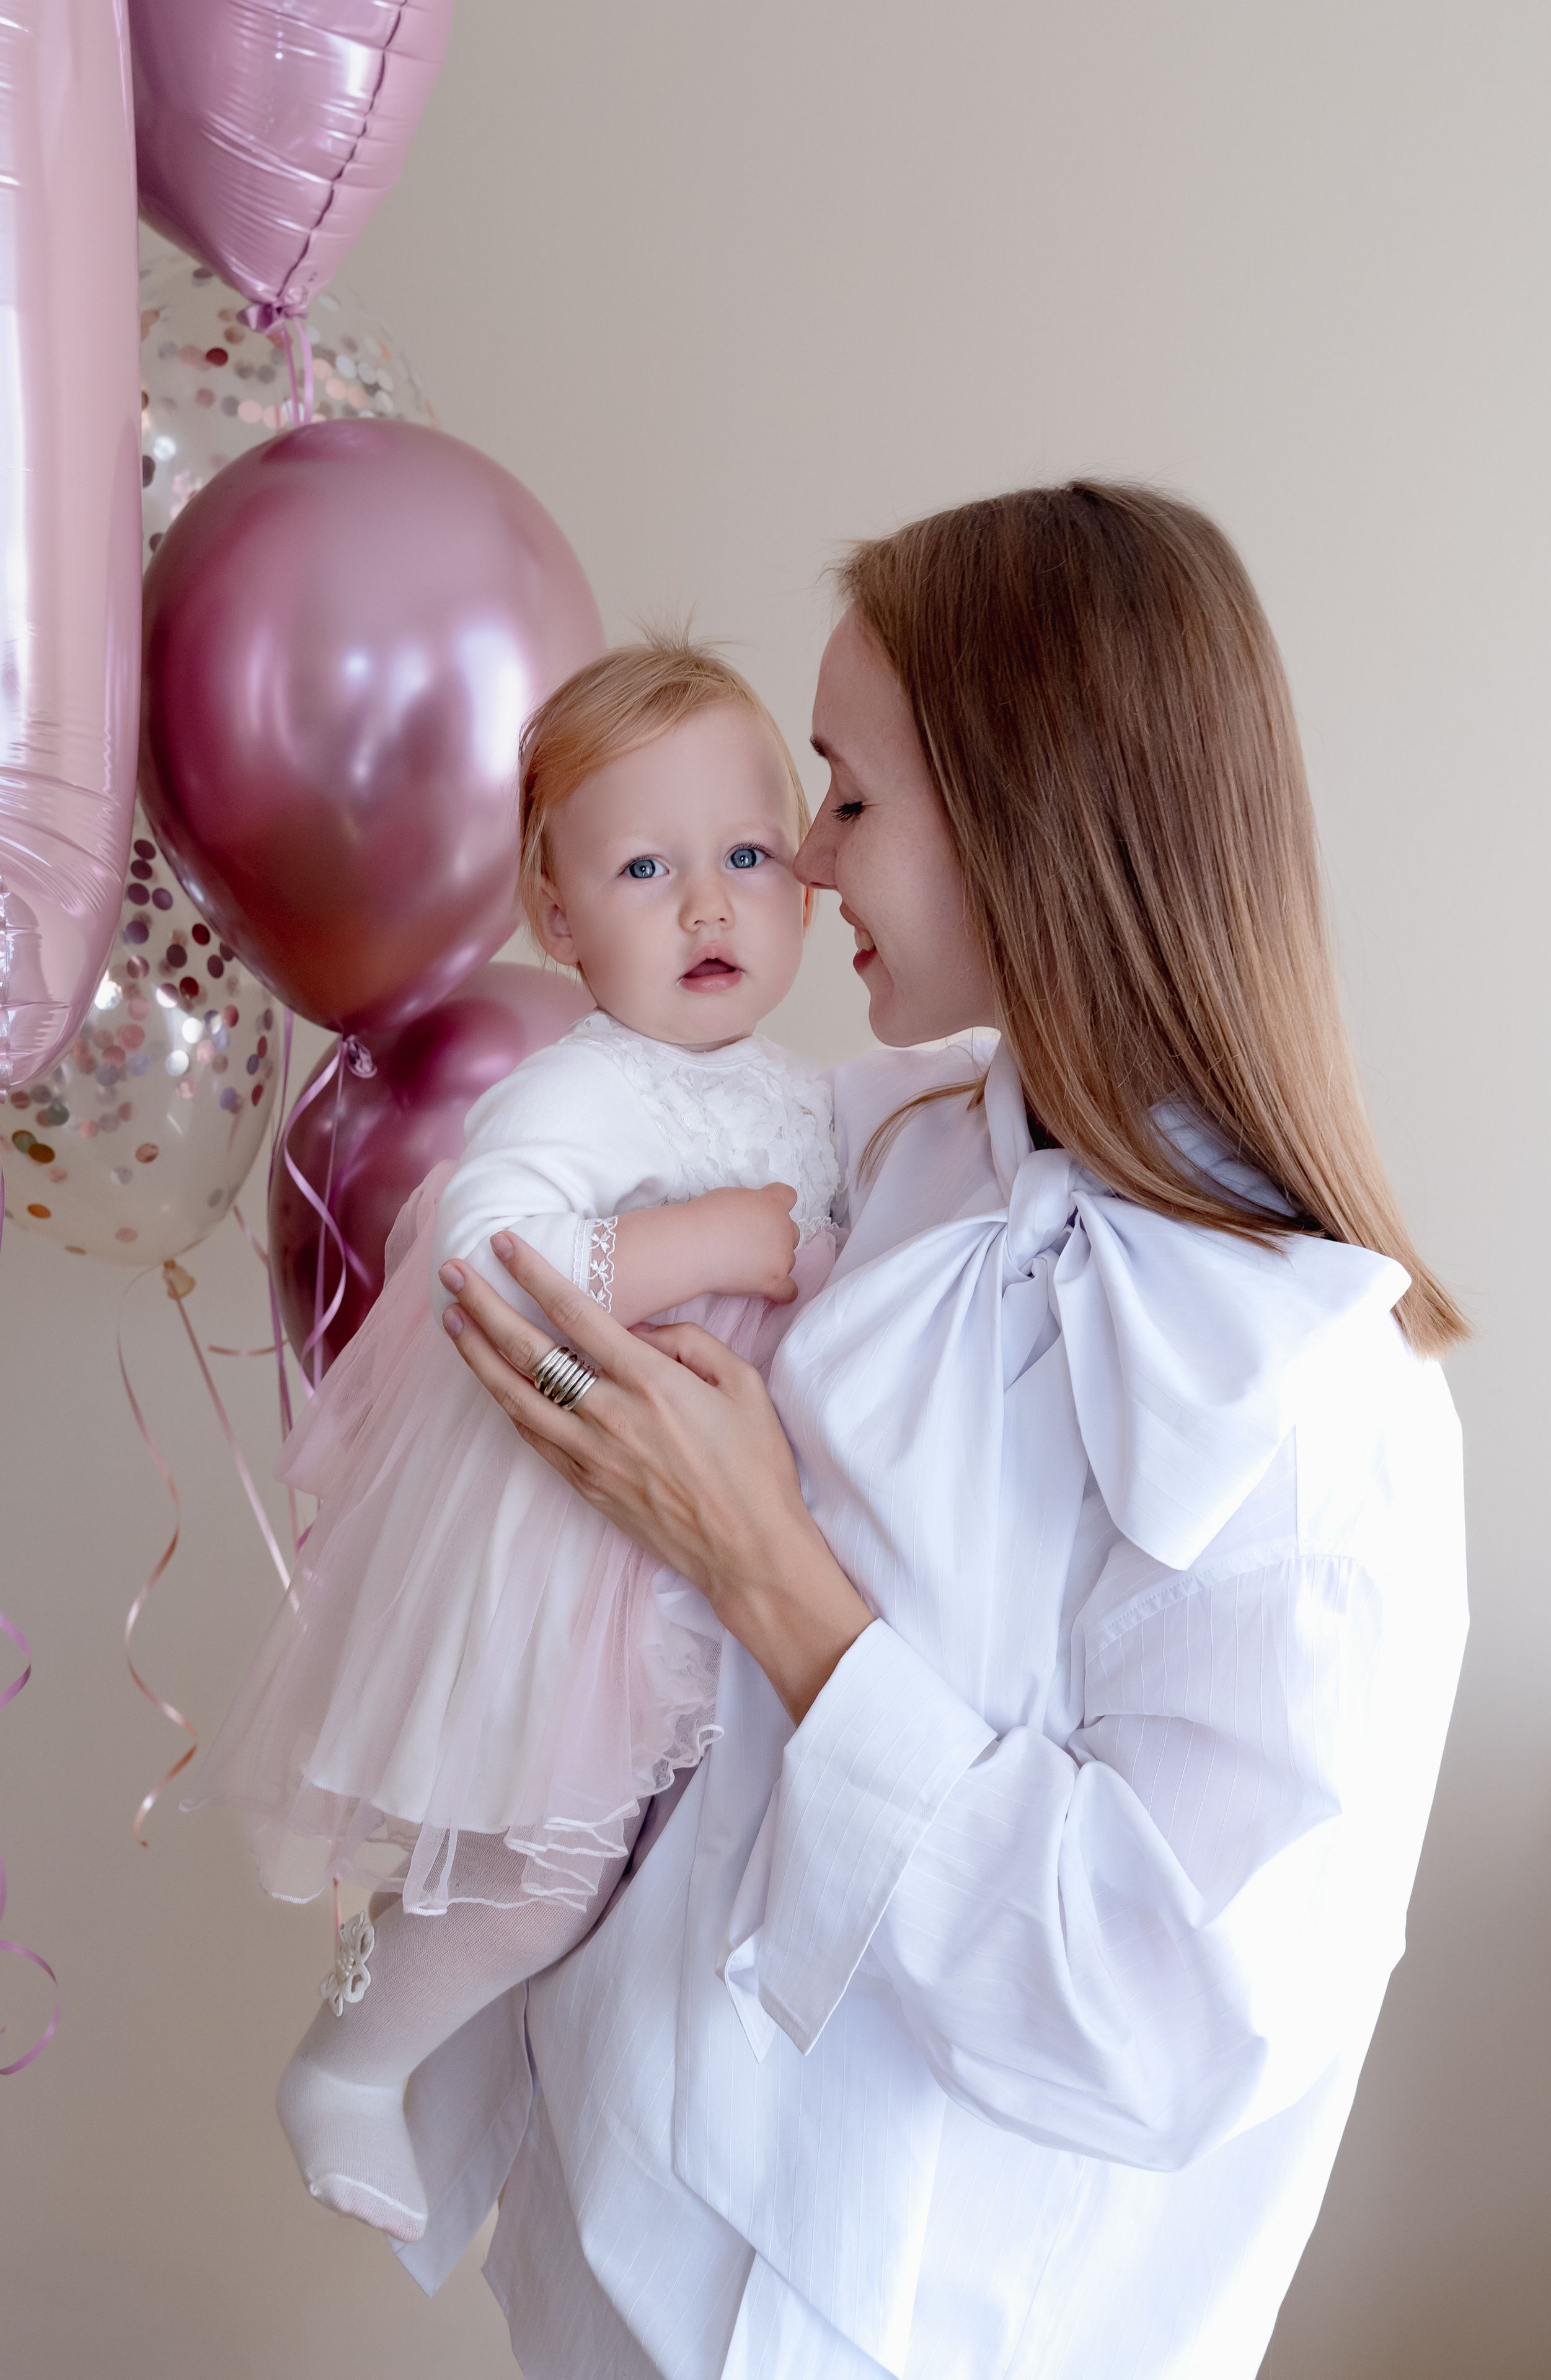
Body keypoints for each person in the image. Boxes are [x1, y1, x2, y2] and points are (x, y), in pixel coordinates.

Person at [420, 482, 1470, 2380]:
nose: (802, 862)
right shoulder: (902, 1162)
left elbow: (1158, 2017)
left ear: (1026, 817)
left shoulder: (1306, 1398)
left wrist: (773, 1574)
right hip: (613, 2269)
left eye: (849, 794)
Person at [185, 640, 839, 2246]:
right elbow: (479, 1262)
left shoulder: (811, 1094)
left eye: (749, 858)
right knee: (548, 1876)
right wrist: (717, 1245)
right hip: (579, 1550)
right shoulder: (588, 1091)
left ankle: (514, 2100)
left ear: (809, 883)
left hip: (716, 1543)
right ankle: (356, 2062)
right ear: (558, 919)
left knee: (658, 1885)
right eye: (646, 868)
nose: (709, 907)